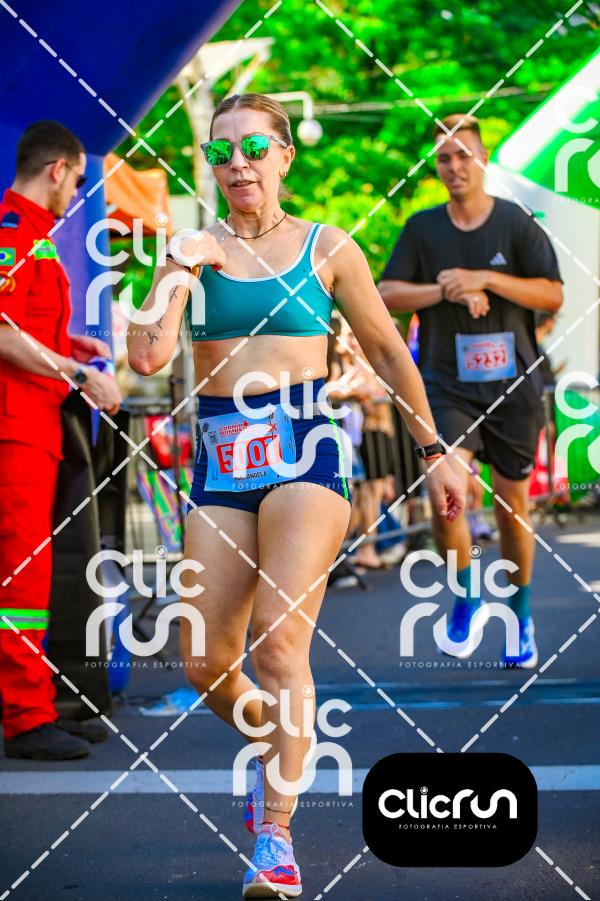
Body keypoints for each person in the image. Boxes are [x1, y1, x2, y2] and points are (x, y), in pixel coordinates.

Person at [127, 93, 464, 899]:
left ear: (284, 155)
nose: (237, 164)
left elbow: (388, 350)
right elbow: (145, 357)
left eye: (253, 148)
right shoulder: (193, 252)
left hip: (306, 447)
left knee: (279, 646)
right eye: (220, 152)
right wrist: (176, 268)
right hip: (220, 459)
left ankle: (274, 835)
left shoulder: (327, 246)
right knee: (205, 660)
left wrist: (435, 451)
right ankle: (277, 748)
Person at [379, 113, 563, 668]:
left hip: (514, 387)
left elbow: (552, 294)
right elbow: (387, 293)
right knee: (447, 494)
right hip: (446, 386)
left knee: (511, 508)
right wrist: (446, 288)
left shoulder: (516, 223)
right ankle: (465, 598)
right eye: (444, 158)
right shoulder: (422, 229)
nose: (454, 166)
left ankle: (521, 616)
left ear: (483, 159)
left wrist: (485, 279)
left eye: (464, 155)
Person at [0, 121, 122, 760]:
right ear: (57, 169)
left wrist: (67, 343)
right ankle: (26, 719)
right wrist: (78, 372)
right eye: (77, 179)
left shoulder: (31, 234)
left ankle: (37, 704)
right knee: (21, 581)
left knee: (30, 576)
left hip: (32, 428)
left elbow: (23, 324)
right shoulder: (12, 233)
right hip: (14, 429)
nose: (76, 192)